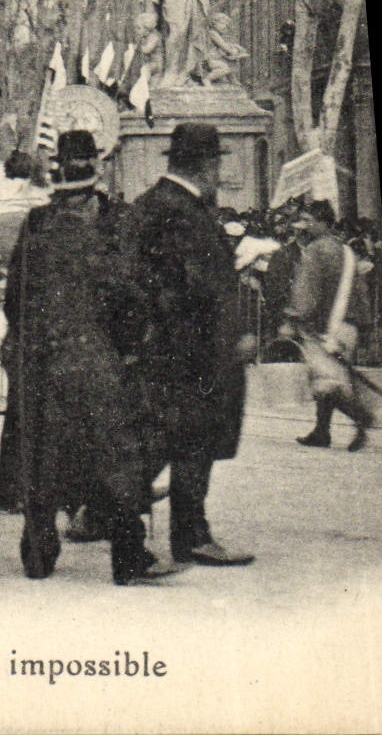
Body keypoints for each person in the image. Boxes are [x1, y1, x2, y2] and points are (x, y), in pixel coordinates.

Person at [2, 132, 177, 585]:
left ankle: (38, 552)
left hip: (42, 359)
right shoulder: (117, 223)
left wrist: (25, 342)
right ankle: (127, 555)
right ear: (97, 170)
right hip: (98, 357)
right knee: (116, 455)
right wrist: (133, 348)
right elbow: (132, 293)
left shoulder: (37, 225)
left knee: (43, 454)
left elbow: (15, 296)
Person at [126, 122, 257, 567]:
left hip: (163, 350)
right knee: (193, 441)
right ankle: (191, 534)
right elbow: (194, 286)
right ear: (205, 164)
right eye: (217, 161)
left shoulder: (152, 204)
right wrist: (230, 336)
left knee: (161, 438)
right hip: (194, 351)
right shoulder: (181, 211)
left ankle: (102, 509)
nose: (219, 171)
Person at [284, 198, 374, 452]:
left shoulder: (315, 250)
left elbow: (306, 291)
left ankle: (360, 416)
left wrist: (293, 317)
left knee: (326, 383)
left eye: (308, 221)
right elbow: (361, 293)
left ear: (323, 222)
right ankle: (321, 431)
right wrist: (364, 327)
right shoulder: (347, 251)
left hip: (325, 328)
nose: (304, 227)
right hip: (348, 327)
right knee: (330, 380)